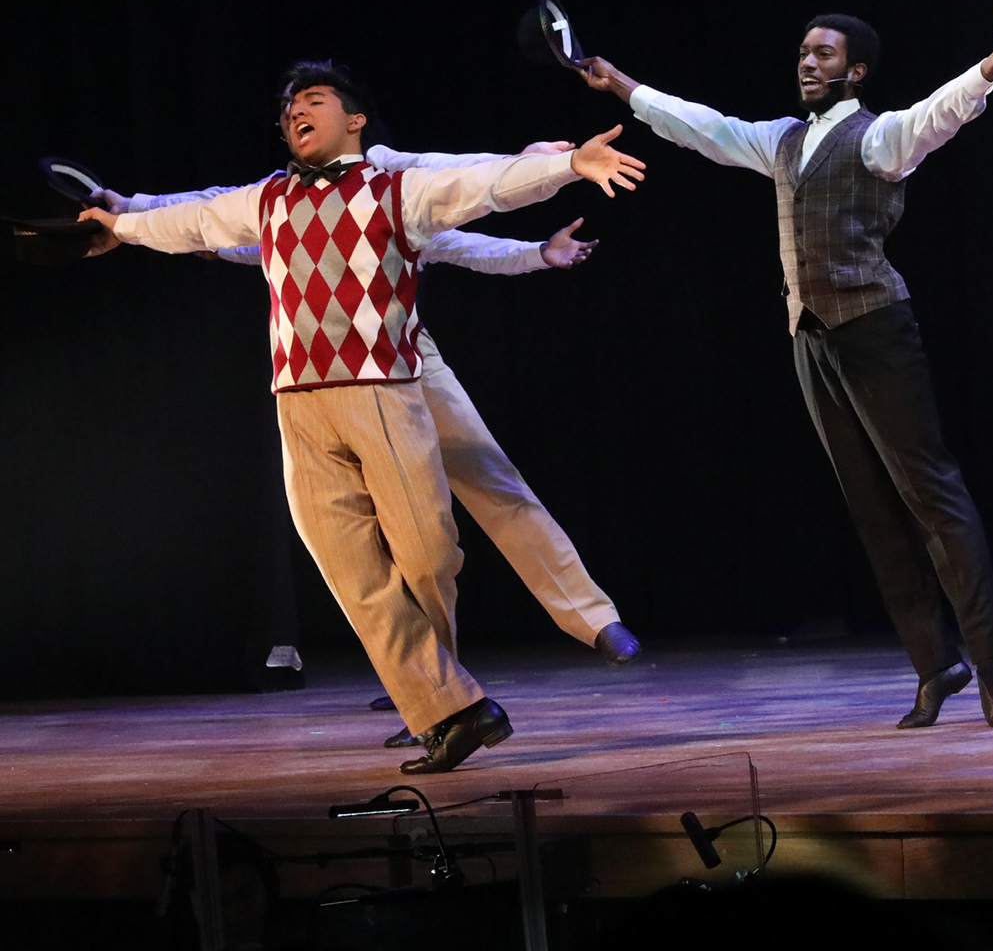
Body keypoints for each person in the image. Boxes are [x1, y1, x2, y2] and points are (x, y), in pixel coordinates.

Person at [80, 61, 646, 771]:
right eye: (288, 106)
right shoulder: (268, 200)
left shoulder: (393, 187)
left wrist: (562, 170)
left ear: (354, 120)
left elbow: (481, 185)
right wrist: (124, 222)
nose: (295, 110)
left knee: (433, 544)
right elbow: (195, 217)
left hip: (385, 375)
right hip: (298, 399)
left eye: (313, 99)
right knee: (349, 567)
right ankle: (448, 707)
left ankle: (560, 634)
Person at [575, 5, 993, 727]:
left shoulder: (878, 136)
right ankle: (934, 665)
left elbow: (939, 115)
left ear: (856, 70)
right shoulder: (783, 141)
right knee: (871, 510)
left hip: (875, 327)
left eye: (824, 53)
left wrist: (991, 65)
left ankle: (989, 661)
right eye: (803, 51)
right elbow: (705, 127)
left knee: (931, 495)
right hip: (811, 337)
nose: (808, 62)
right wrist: (624, 87)